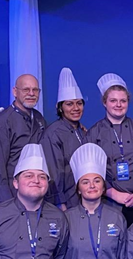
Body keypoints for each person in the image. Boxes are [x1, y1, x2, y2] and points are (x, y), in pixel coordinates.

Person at [86, 73, 133, 226]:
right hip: (109, 203)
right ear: (104, 102)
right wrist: (112, 193)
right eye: (113, 100)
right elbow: (90, 171)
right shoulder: (94, 133)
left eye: (123, 101)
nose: (118, 105)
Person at [0, 74, 46, 203]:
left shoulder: (38, 118)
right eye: (26, 89)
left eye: (35, 90)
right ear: (15, 92)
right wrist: (4, 202)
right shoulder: (3, 121)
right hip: (11, 194)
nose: (31, 93)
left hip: (35, 191)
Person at [41, 68, 87, 211]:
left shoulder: (83, 131)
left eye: (79, 103)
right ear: (60, 108)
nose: (75, 108)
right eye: (69, 104)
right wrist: (59, 203)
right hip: (67, 202)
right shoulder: (53, 133)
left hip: (84, 199)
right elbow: (54, 173)